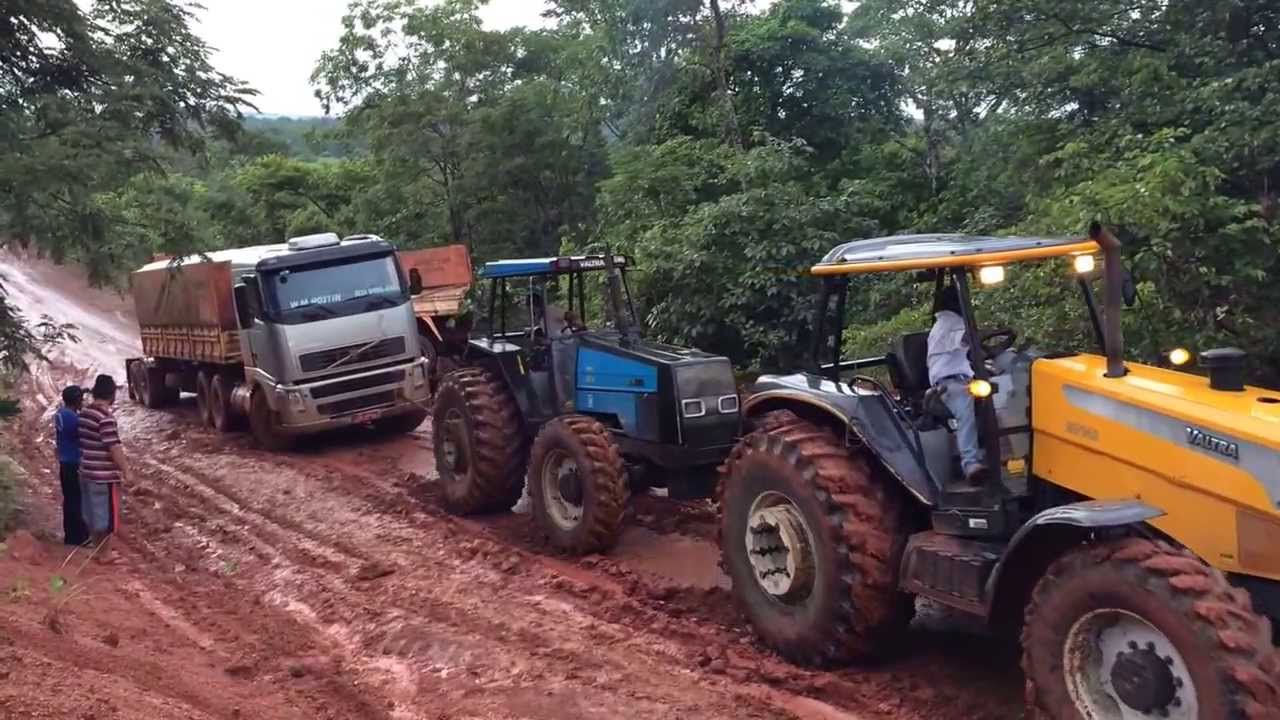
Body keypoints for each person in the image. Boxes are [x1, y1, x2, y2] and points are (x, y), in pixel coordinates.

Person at [927, 285, 987, 483]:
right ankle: (971, 464)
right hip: (948, 384)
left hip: (963, 378)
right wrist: (981, 336)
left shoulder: (951, 322)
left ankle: (996, 453)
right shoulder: (949, 323)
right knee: (966, 406)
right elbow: (964, 339)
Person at [78, 374, 129, 563]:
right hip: (104, 475)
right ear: (112, 394)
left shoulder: (84, 413)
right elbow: (114, 447)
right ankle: (105, 554)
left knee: (92, 513)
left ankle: (98, 551)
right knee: (107, 516)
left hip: (86, 471)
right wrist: (126, 470)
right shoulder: (106, 418)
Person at [55, 385, 89, 546]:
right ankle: (81, 537)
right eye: (81, 399)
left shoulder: (61, 414)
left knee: (69, 499)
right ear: (76, 401)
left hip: (64, 462)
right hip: (74, 463)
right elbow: (84, 436)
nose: (83, 401)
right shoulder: (74, 419)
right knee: (78, 500)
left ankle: (70, 537)